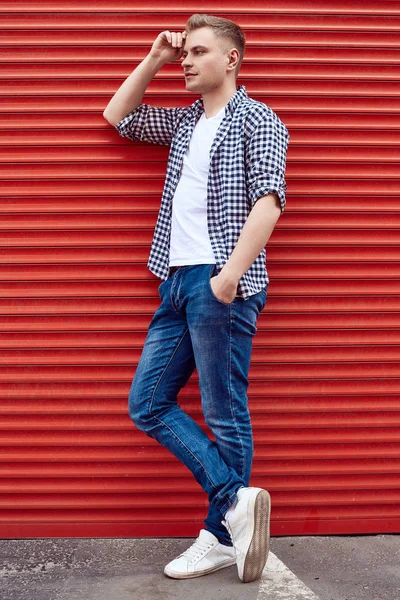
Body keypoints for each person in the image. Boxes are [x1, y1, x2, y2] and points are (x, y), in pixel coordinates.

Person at [103, 13, 289, 584]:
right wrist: (157, 55)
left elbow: (270, 200)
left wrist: (229, 277)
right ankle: (235, 507)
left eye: (197, 52)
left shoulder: (259, 119)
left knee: (223, 414)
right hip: (176, 278)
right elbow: (119, 116)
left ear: (231, 59)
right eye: (186, 53)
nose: (187, 61)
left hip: (218, 280)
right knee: (148, 403)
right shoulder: (184, 124)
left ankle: (216, 536)